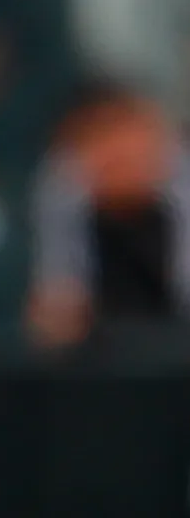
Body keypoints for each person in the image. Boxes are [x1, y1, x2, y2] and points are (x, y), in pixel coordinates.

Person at [26, 81, 190, 351]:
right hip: (102, 348)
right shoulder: (62, 186)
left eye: (127, 134)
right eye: (97, 139)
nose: (117, 151)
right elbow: (57, 295)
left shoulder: (181, 176)